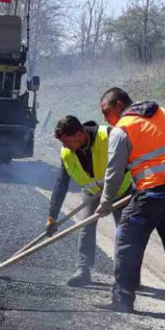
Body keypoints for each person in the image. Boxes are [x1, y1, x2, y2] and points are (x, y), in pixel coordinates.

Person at [96, 87, 165, 322]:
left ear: (119, 105)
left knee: (127, 238)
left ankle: (122, 300)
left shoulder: (122, 129)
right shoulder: (164, 113)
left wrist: (106, 203)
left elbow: (114, 172)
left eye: (106, 111)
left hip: (154, 192)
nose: (105, 118)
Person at [50, 116, 133, 287]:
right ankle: (83, 271)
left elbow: (132, 159)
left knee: (125, 232)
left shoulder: (109, 136)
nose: (64, 146)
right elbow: (61, 184)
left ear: (79, 135)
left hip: (121, 190)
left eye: (66, 141)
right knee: (86, 227)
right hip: (92, 192)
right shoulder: (67, 152)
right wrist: (52, 216)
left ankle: (125, 275)